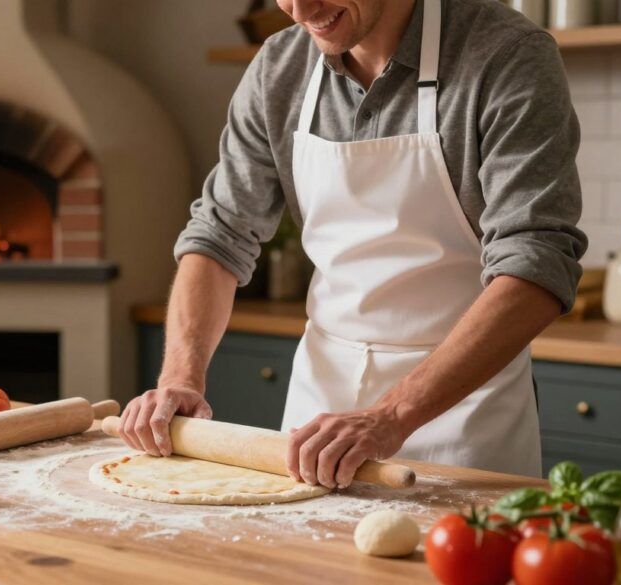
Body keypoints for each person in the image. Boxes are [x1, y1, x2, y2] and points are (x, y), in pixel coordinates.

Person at [119, 0, 586, 487]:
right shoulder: (279, 69)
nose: (300, 10)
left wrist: (389, 417)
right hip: (316, 419)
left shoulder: (507, 55)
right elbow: (219, 236)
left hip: (467, 419)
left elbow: (535, 264)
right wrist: (180, 378)